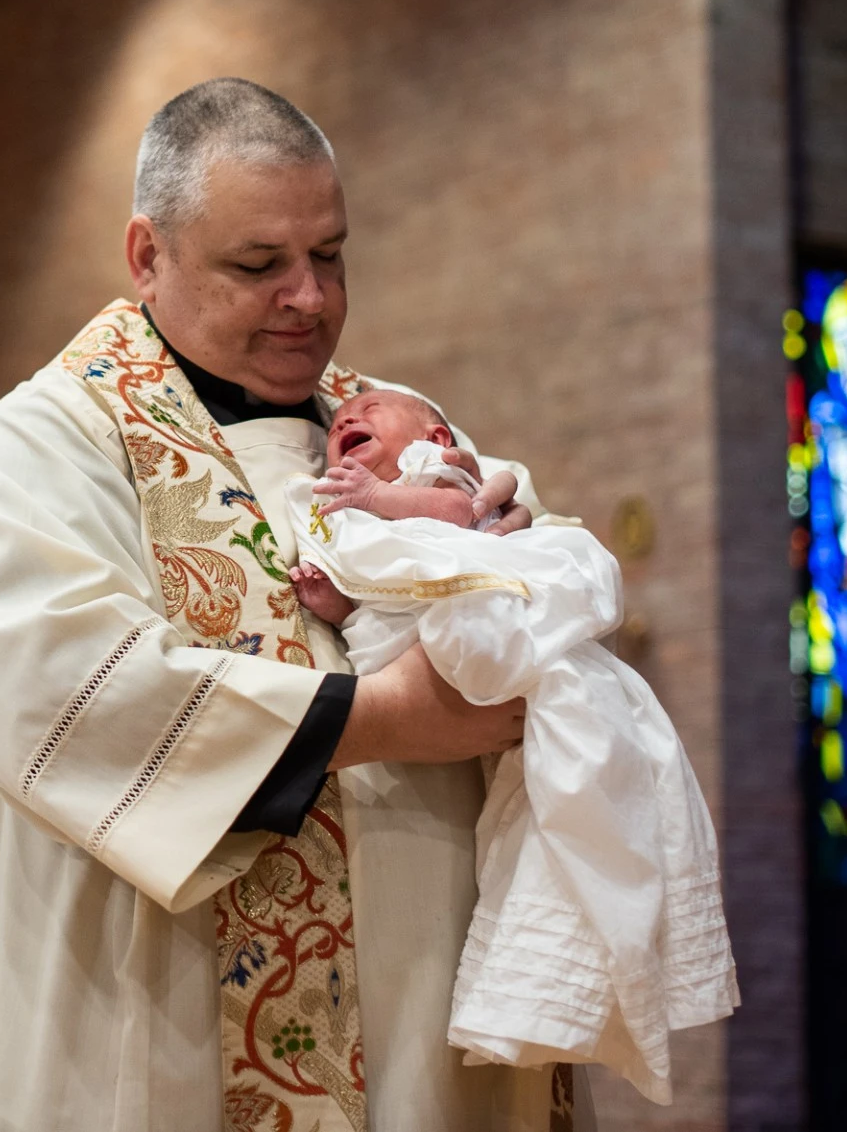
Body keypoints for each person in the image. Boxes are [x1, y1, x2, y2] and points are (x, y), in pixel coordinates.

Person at [0, 77, 588, 1131]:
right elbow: (51, 687)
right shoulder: (44, 446)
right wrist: (391, 719)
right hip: (151, 1029)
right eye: (260, 266)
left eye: (331, 255)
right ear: (148, 256)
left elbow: (548, 610)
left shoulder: (398, 437)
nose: (310, 298)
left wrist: (520, 557)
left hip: (425, 1030)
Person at [283, 385, 739, 1105]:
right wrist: (337, 600)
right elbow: (377, 584)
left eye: (327, 262)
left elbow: (463, 517)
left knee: (570, 786)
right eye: (343, 422)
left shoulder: (436, 467)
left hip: (463, 619)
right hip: (399, 644)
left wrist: (380, 495)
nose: (348, 415)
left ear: (434, 434)